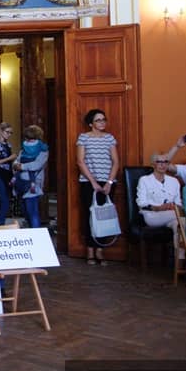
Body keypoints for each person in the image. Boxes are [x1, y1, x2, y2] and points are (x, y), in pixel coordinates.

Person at [76, 109, 119, 265]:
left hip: (107, 181)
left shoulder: (109, 138)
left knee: (104, 216)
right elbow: (80, 161)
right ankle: (90, 250)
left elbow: (116, 161)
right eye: (98, 120)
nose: (102, 122)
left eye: (103, 119)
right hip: (88, 182)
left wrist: (109, 182)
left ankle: (100, 249)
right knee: (89, 215)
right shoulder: (84, 138)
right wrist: (93, 182)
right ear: (91, 123)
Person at [137, 152, 182, 263]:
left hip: (171, 215)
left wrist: (173, 206)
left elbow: (178, 203)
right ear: (153, 164)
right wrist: (159, 208)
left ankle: (179, 263)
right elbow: (141, 203)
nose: (163, 165)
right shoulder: (144, 180)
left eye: (166, 162)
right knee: (182, 217)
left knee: (180, 225)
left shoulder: (174, 181)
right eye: (159, 162)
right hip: (152, 215)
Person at [13, 125, 49, 228]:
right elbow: (17, 160)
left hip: (33, 184)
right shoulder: (23, 150)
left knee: (32, 212)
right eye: (28, 138)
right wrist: (15, 165)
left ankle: (36, 234)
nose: (29, 141)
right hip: (21, 183)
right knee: (25, 212)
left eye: (32, 138)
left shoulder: (43, 150)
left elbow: (37, 165)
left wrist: (22, 166)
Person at [0, 122, 17, 225]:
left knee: (2, 200)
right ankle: (0, 224)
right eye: (7, 132)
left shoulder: (8, 144)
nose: (9, 134)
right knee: (4, 200)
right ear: (1, 131)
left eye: (11, 133)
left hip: (7, 174)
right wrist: (9, 158)